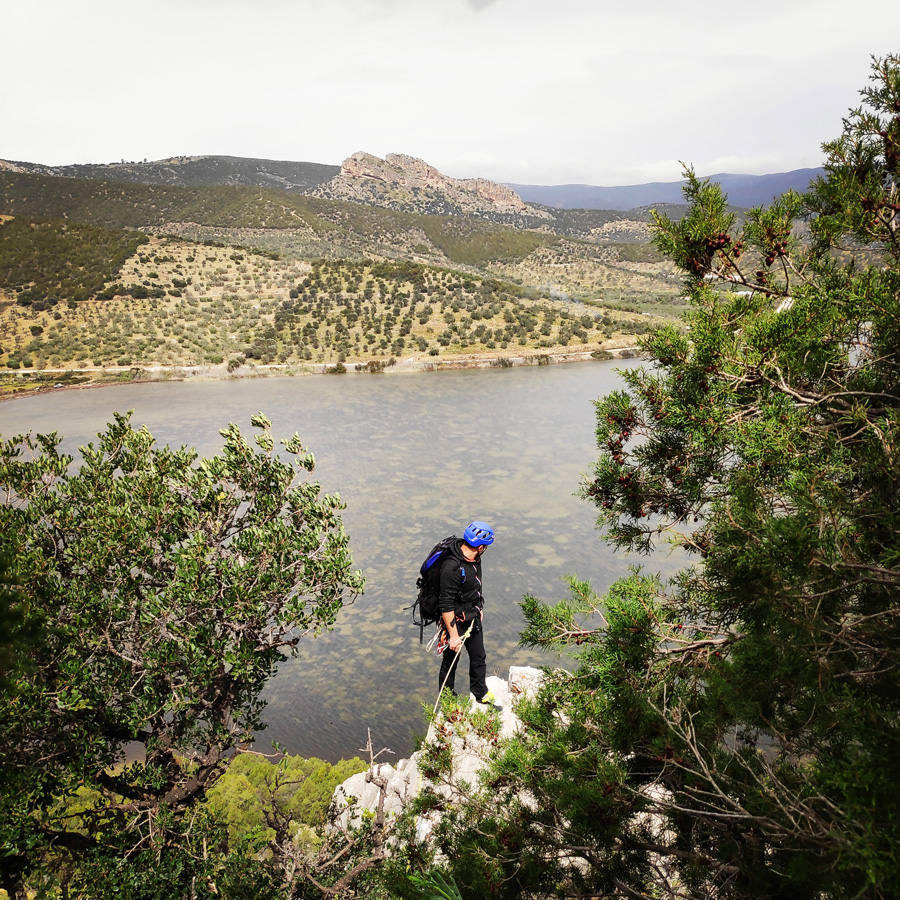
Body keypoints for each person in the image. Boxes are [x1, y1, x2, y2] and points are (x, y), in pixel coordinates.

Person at [437, 520, 502, 710]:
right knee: (450, 662)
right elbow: (446, 603)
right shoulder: (452, 567)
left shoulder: (474, 558)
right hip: (454, 622)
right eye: (486, 547)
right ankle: (447, 698)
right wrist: (454, 636)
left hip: (472, 615)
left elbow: (474, 586)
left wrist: (478, 609)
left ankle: (480, 693)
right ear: (481, 546)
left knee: (479, 656)